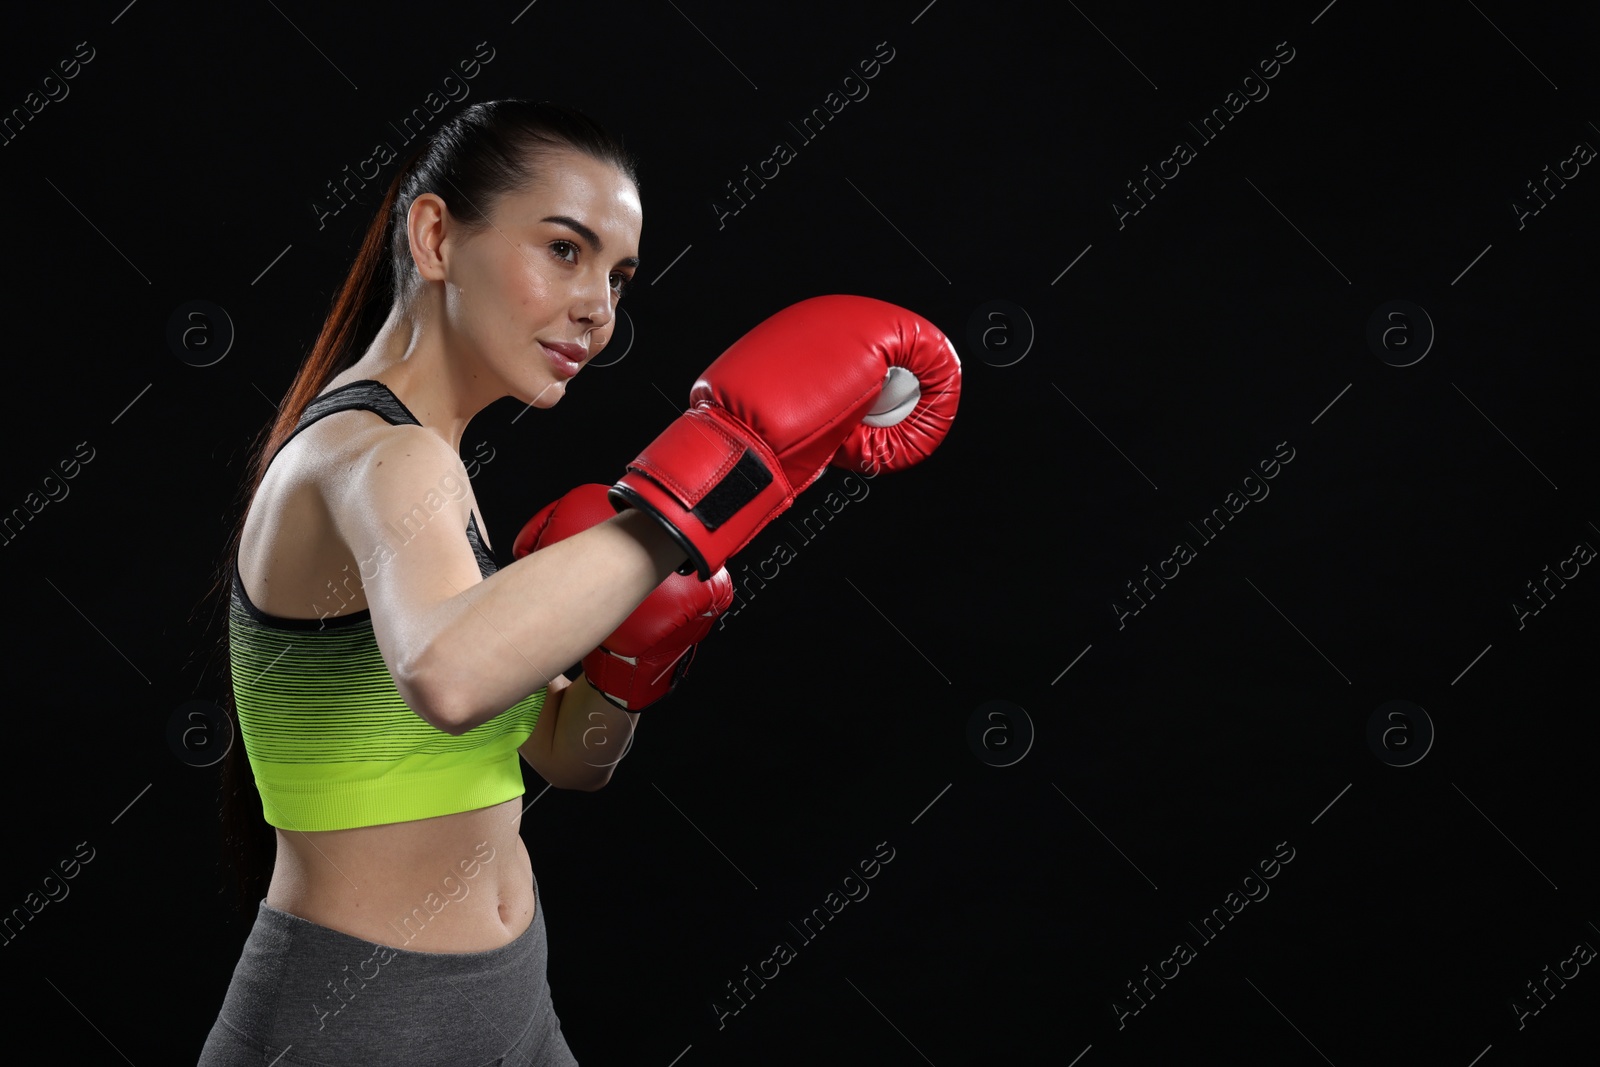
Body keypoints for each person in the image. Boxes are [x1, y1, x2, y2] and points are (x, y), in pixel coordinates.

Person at [197, 98, 961, 1066]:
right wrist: (695, 495)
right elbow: (449, 677)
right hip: (361, 1023)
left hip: (509, 998)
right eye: (565, 249)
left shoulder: (430, 465)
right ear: (435, 235)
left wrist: (627, 665)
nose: (599, 307)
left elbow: (566, 759)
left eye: (618, 274)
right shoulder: (376, 455)